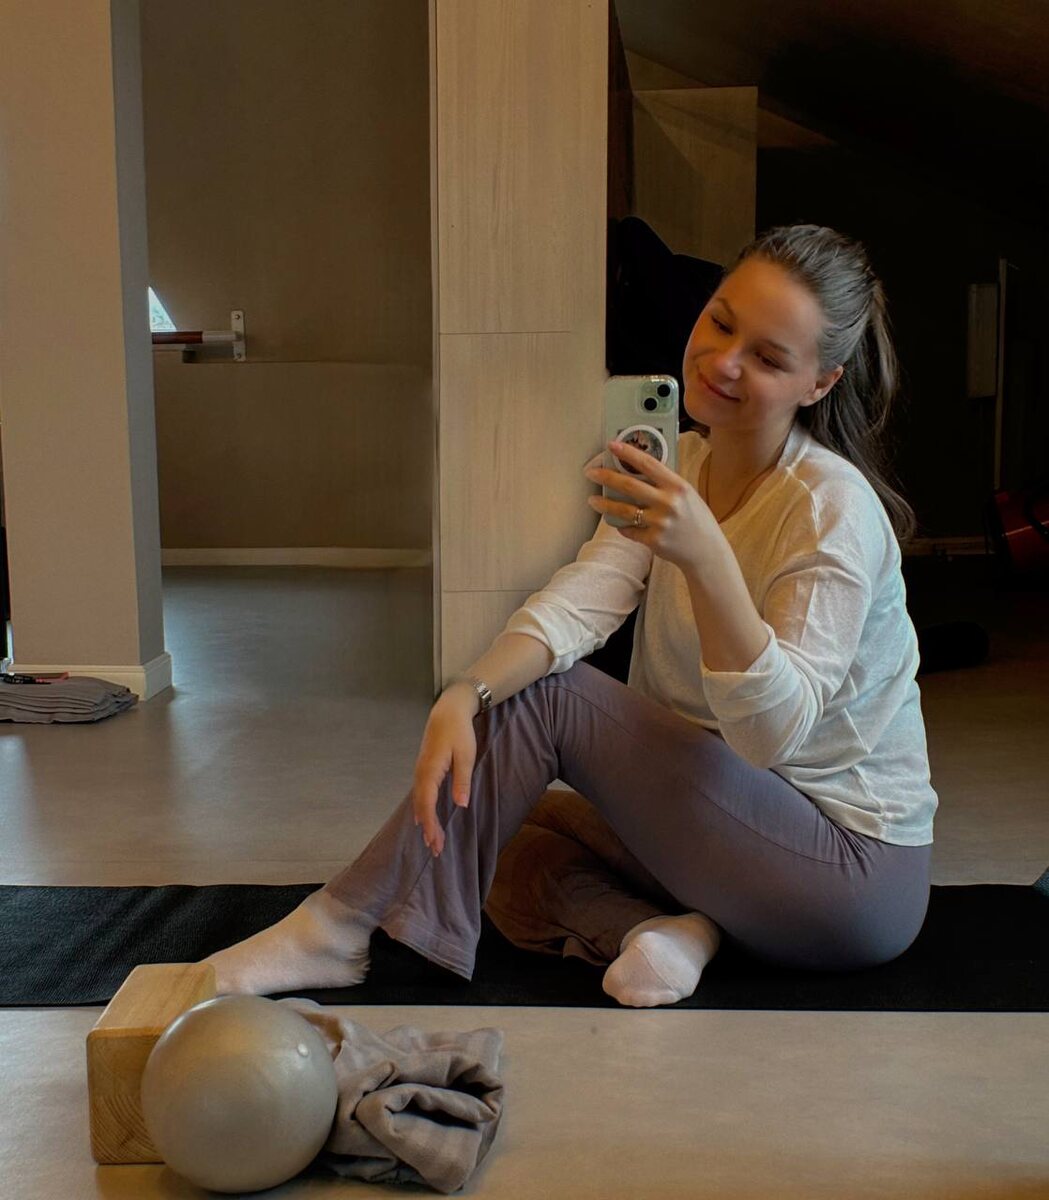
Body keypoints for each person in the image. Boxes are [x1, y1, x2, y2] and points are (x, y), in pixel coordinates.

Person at [204, 224, 938, 1007]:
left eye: (766, 357)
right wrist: (466, 693)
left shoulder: (828, 508)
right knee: (480, 818)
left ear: (818, 383)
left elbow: (769, 738)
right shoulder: (678, 464)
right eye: (721, 322)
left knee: (546, 704)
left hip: (846, 877)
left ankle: (338, 927)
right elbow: (586, 597)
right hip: (722, 832)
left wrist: (706, 559)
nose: (723, 362)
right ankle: (662, 934)